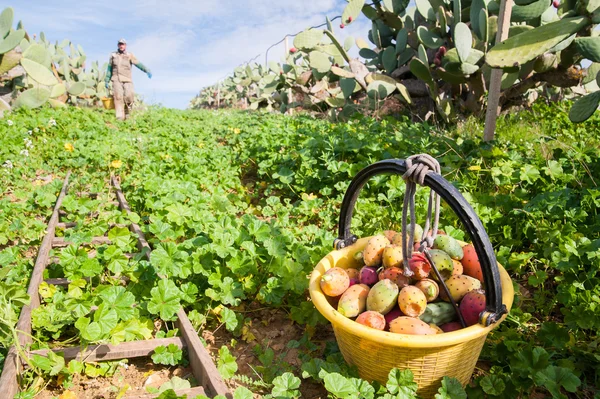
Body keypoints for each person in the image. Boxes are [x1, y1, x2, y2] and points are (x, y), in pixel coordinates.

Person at [104, 38, 152, 120]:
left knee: (129, 96)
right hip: (116, 79)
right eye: (120, 44)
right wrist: (107, 80)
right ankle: (119, 117)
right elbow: (110, 68)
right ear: (118, 45)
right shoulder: (113, 55)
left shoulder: (129, 55)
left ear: (125, 45)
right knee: (118, 97)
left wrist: (146, 70)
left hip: (127, 79)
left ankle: (127, 114)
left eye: (123, 44)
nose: (121, 46)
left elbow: (138, 64)